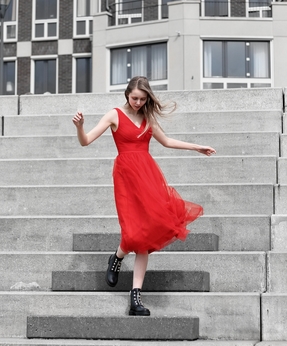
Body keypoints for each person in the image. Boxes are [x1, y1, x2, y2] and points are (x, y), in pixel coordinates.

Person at [72, 76, 216, 316]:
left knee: (146, 235)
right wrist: (79, 127)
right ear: (126, 95)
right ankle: (117, 258)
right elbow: (86, 142)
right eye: (134, 98)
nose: (138, 102)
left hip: (148, 176)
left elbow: (167, 141)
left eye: (142, 98)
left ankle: (135, 298)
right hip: (126, 178)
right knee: (133, 232)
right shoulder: (114, 115)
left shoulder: (148, 117)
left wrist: (197, 147)